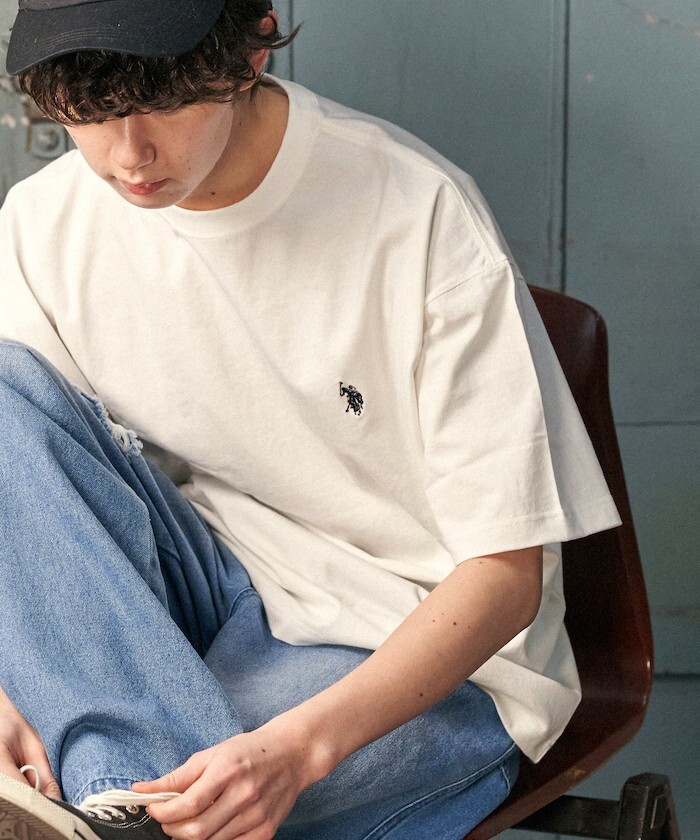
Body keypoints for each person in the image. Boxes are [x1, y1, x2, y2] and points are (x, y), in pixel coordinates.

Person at [0, 1, 621, 838]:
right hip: (202, 587)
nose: (129, 154)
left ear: (250, 52)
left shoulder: (417, 213)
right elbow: (29, 502)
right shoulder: (44, 222)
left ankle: (116, 801)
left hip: (403, 641)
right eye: (92, 112)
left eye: (167, 102)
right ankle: (122, 797)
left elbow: (505, 581)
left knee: (192, 795)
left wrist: (293, 754)